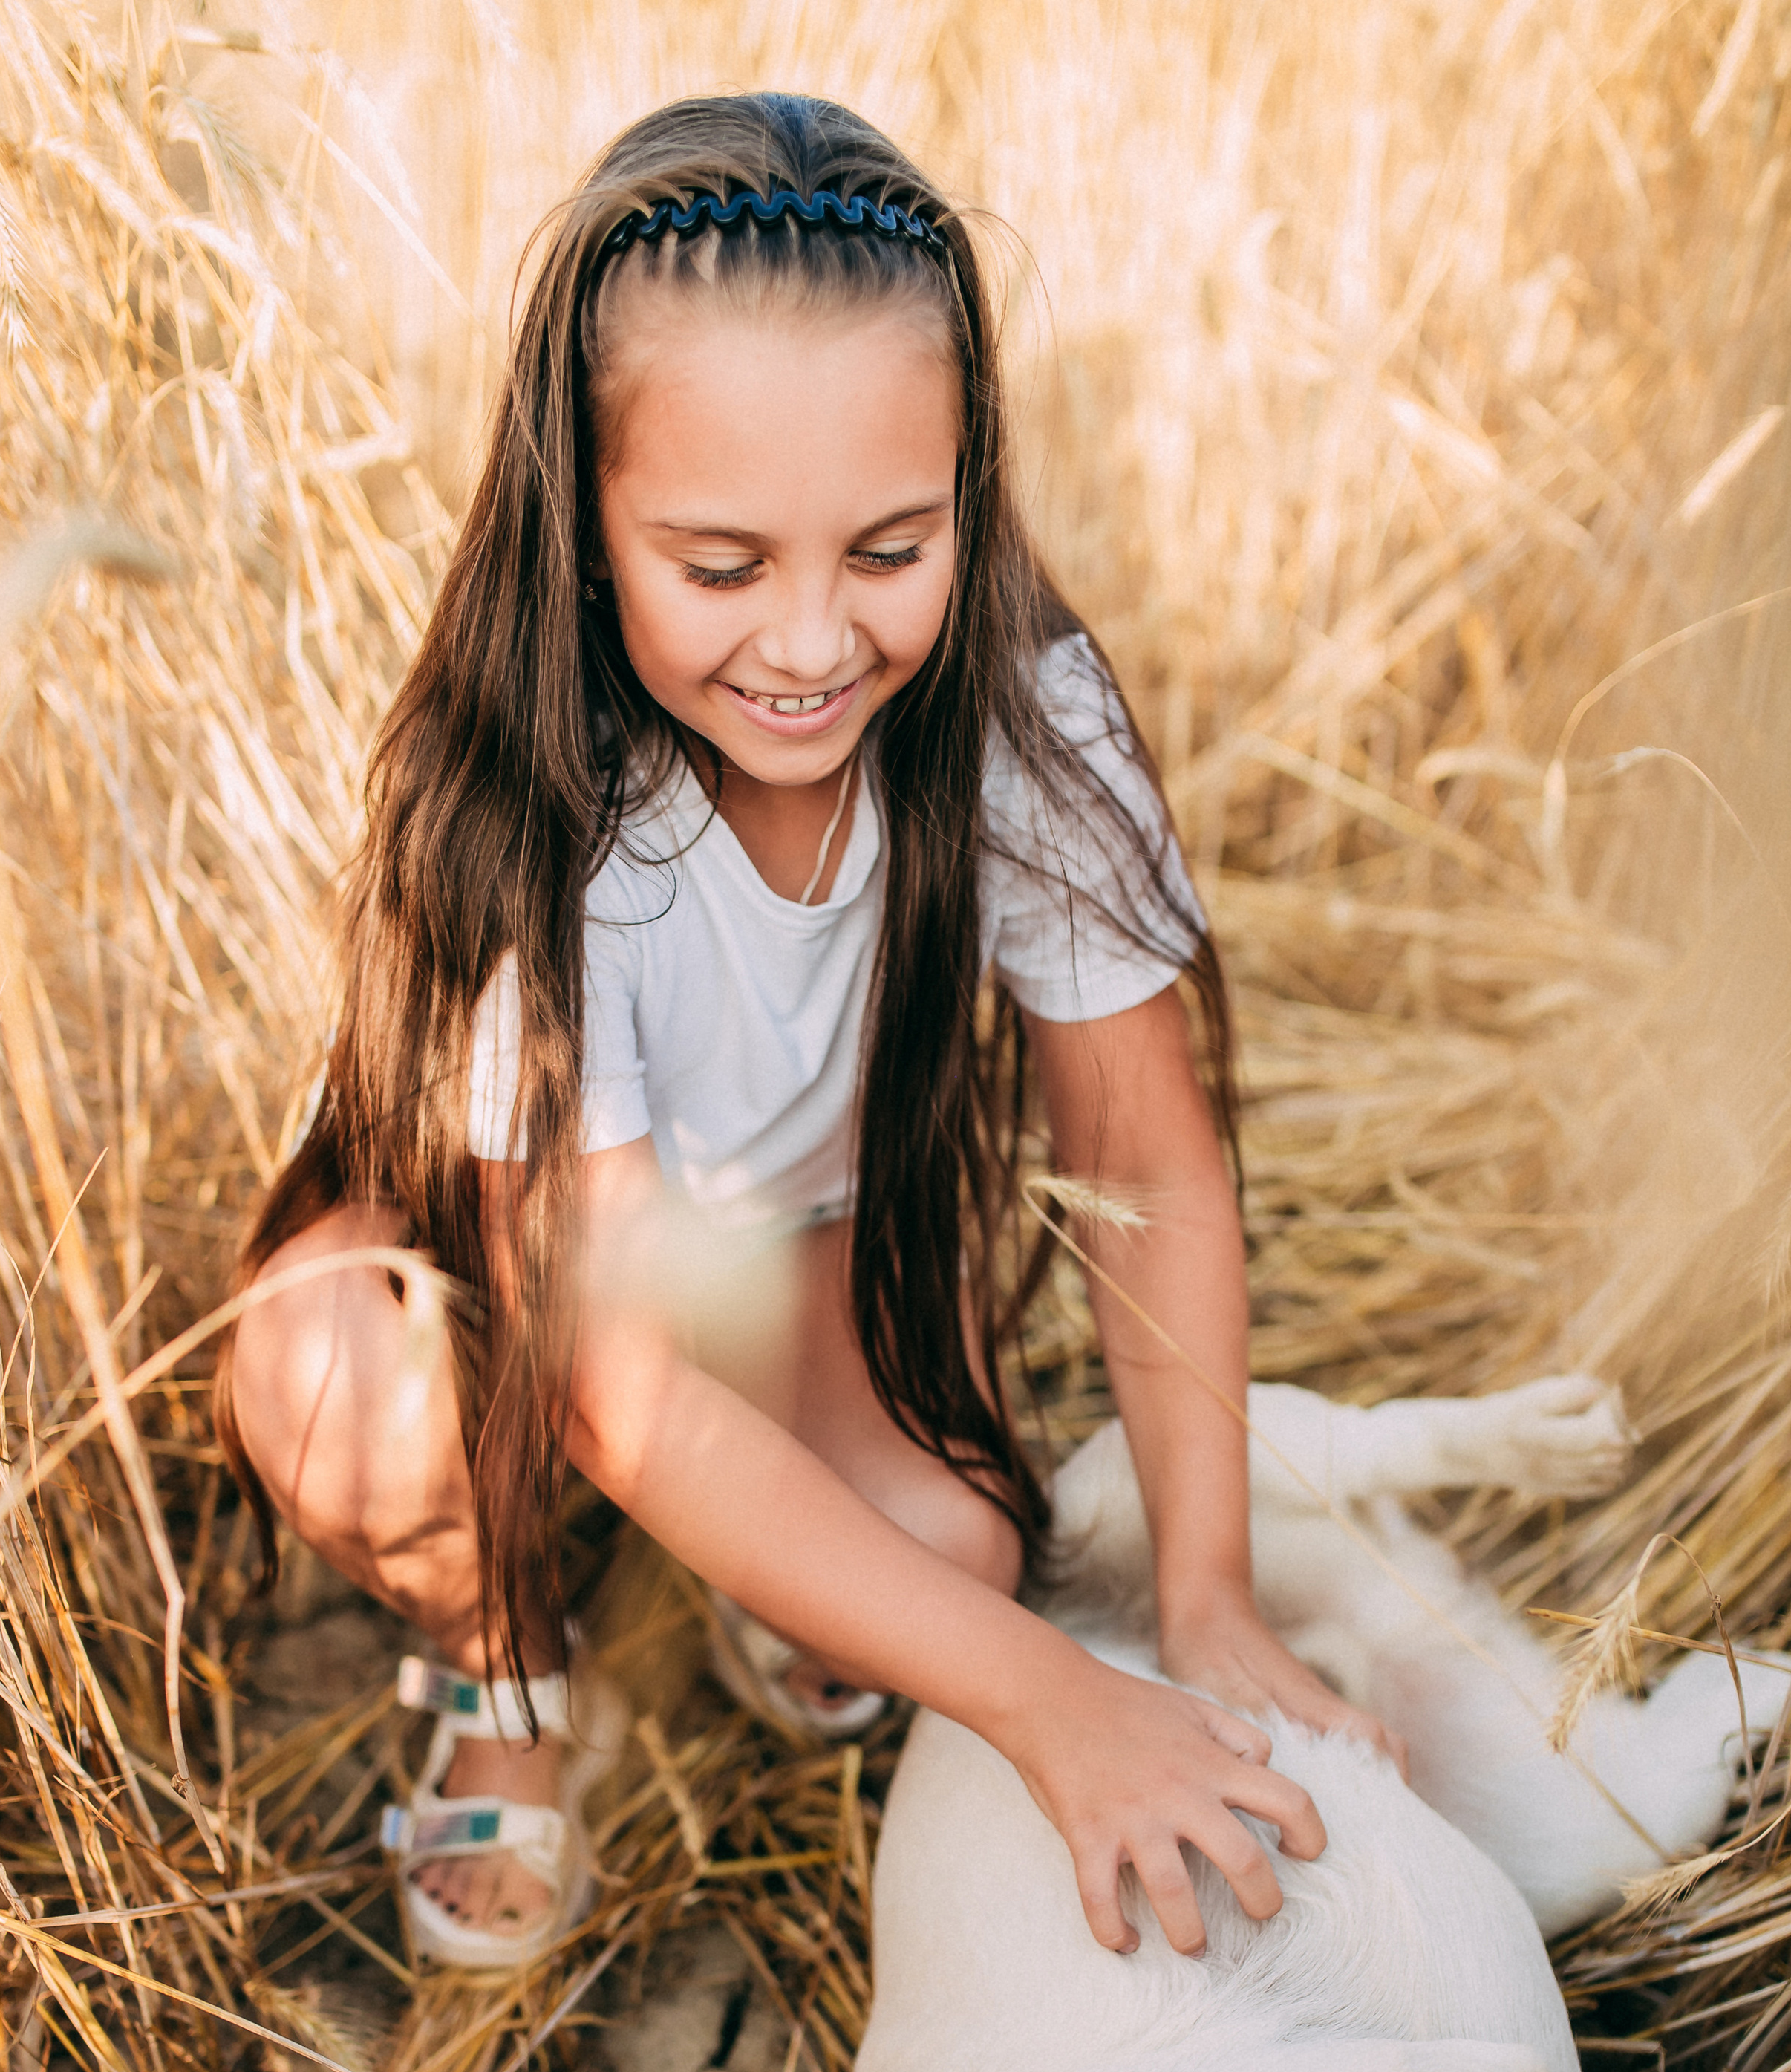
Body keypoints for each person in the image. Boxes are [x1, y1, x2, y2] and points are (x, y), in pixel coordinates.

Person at [219, 90, 1392, 1975]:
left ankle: (766, 1556)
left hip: (786, 1265)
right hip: (495, 1277)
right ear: (585, 522)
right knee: (339, 1408)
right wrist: (1049, 1707)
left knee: (951, 1565)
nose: (808, 638)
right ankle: (500, 1659)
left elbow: (1149, 1160)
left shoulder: (1017, 714)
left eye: (886, 548)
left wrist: (1204, 1599)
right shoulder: (526, 812)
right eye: (719, 564)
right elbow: (606, 1376)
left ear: (965, 490)